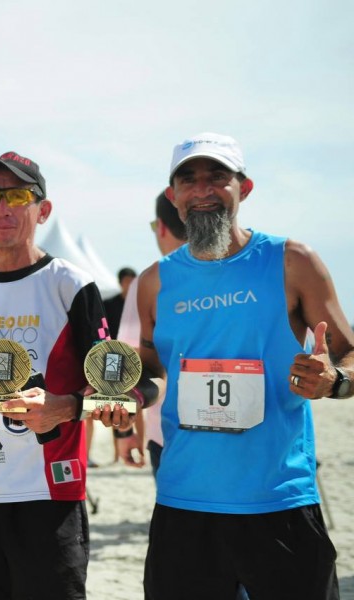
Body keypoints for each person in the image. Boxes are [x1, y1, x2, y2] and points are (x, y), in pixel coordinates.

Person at [0, 151, 156, 599]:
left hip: (50, 494)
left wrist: (69, 408)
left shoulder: (71, 284)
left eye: (17, 196)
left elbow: (124, 387)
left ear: (43, 210)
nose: (3, 208)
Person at [138, 133, 351, 599]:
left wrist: (335, 381)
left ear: (244, 188)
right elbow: (152, 366)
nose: (203, 190)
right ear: (173, 197)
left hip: (277, 499)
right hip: (183, 501)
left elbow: (348, 352)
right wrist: (133, 394)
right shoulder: (155, 283)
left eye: (218, 177)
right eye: (189, 181)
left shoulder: (291, 261)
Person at [115, 191, 186, 473]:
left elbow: (130, 364)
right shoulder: (241, 274)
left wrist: (125, 432)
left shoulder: (149, 281)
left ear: (161, 227)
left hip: (168, 431)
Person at [102, 266, 137, 339]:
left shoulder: (141, 304)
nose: (130, 285)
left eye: (133, 281)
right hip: (114, 346)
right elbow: (103, 328)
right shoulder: (108, 305)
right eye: (127, 281)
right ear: (120, 282)